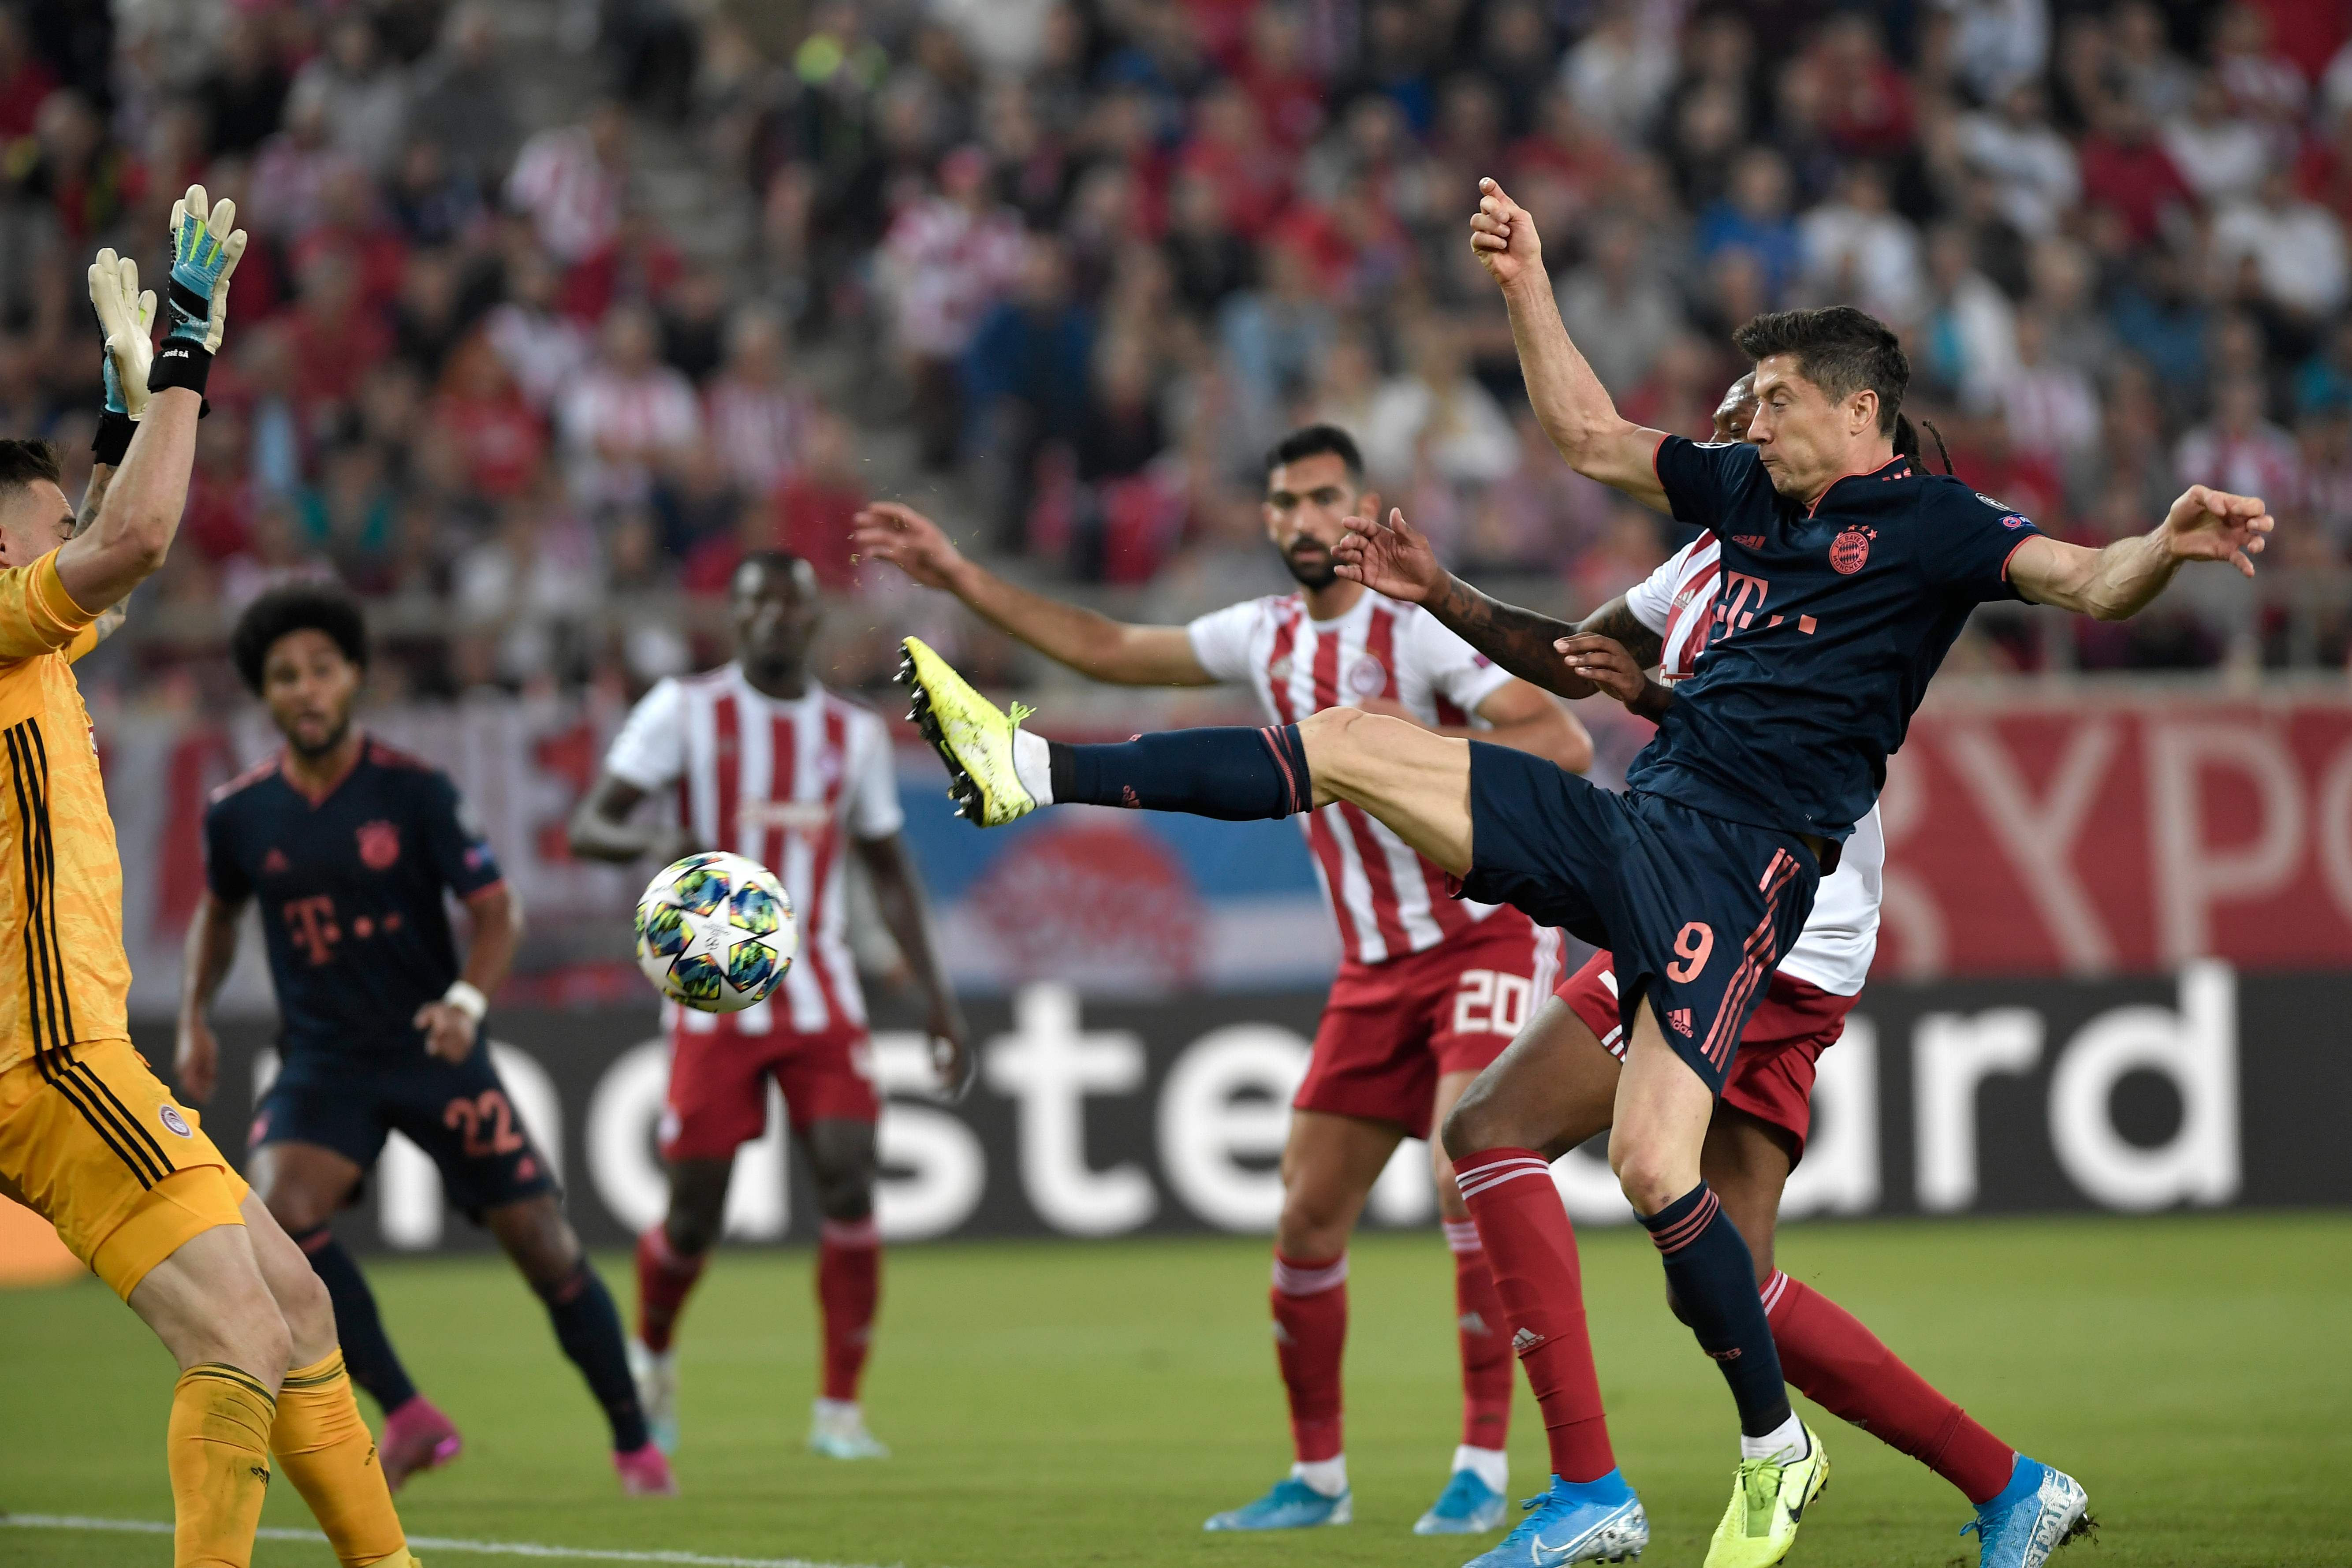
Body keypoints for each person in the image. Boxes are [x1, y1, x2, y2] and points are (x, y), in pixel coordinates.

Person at [891, 177, 2270, 1568]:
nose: (1746, 416)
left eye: (1775, 395)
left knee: (1663, 1184)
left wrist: (2169, 540)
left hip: (1758, 895)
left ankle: (1749, 1456)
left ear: (1858, 408)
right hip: (1661, 845)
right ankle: (1954, 1484)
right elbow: (1587, 455)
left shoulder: (1935, 523)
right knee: (1508, 1113)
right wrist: (1520, 289)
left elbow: (2090, 582)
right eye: (1746, 396)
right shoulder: (1731, 521)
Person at [854, 424, 1592, 1535]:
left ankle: (1482, 1465)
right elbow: (1106, 648)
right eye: (1285, 501)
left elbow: (1565, 743)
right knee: (1303, 1218)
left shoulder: (1423, 632)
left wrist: (1410, 748)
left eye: (1325, 497)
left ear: (1363, 504)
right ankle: (1318, 1479)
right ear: (1264, 517)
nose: (1303, 518)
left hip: (1485, 934)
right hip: (1373, 966)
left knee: (1461, 1175)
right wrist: (959, 575)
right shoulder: (1262, 636)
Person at [1440, 374, 2084, 1568]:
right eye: (1731, 416)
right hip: (1708, 887)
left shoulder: (1862, 552)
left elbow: (1757, 735)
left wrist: (1661, 700)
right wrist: (1436, 591)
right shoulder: (1700, 565)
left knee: (1494, 1126)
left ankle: (1587, 1486)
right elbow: (1572, 657)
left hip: (1776, 914)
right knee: (1731, 1277)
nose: (1738, 432)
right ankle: (2015, 1485)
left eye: (1759, 412)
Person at [0, 190, 422, 1567]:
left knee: (297, 1304)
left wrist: (127, 422)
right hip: (44, 1048)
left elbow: (103, 566)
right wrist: (186, 346)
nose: (74, 528)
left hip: (80, 1042)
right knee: (236, 1328)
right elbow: (129, 546)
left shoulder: (30, 644)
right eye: (46, 517)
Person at [179, 585, 675, 1497]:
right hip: (325, 1062)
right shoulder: (240, 814)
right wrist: (195, 1016)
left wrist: (464, 1003)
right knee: (279, 1218)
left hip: (434, 1049)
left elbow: (497, 912)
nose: (307, 689)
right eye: (286, 676)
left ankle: (635, 1441)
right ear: (267, 696)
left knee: (543, 1243)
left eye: (322, 669)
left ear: (356, 677)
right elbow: (218, 916)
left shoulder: (414, 793)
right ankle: (408, 1413)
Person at [568, 552, 968, 1462]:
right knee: (697, 1213)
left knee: (850, 1173)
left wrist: (940, 1002)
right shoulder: (684, 710)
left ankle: (839, 1412)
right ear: (735, 617)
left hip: (822, 988)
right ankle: (656, 1355)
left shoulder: (852, 734)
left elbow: (888, 871)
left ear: (815, 618)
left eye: (793, 603)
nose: (777, 619)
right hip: (712, 999)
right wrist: (654, 837)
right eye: (759, 604)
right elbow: (590, 824)